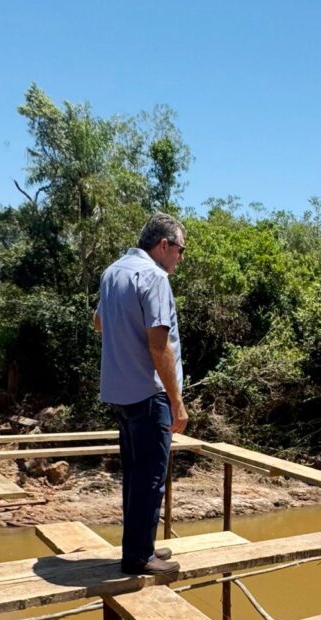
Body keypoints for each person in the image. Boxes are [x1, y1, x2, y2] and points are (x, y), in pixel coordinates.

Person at [94, 212, 189, 575]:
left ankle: (140, 546)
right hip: (149, 394)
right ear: (163, 245)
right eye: (180, 250)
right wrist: (177, 402)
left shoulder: (113, 271)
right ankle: (137, 558)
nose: (180, 258)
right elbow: (159, 344)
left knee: (136, 473)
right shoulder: (154, 277)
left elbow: (99, 322)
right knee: (151, 476)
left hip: (120, 391)